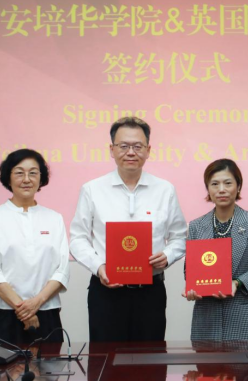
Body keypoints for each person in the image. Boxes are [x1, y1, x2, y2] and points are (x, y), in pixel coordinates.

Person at [69, 116, 187, 342]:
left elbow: (180, 237)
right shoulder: (92, 189)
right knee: (105, 358)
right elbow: (77, 238)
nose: (130, 152)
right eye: (123, 146)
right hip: (106, 291)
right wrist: (98, 266)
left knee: (150, 358)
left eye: (137, 146)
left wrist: (168, 255)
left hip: (150, 292)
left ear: (148, 150)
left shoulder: (165, 190)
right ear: (111, 150)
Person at [0, 149, 70, 345]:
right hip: (3, 314)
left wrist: (35, 303)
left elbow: (62, 270)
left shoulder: (54, 218)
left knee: (50, 365)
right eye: (19, 173)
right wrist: (24, 310)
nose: (27, 179)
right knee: (0, 366)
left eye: (33, 173)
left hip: (45, 312)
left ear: (41, 178)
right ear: (8, 178)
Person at [183, 159, 248, 341]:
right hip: (206, 319)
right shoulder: (196, 226)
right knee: (206, 361)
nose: (221, 189)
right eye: (215, 184)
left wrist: (237, 283)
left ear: (238, 186)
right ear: (208, 189)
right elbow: (189, 270)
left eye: (228, 183)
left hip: (244, 317)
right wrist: (193, 288)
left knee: (244, 361)